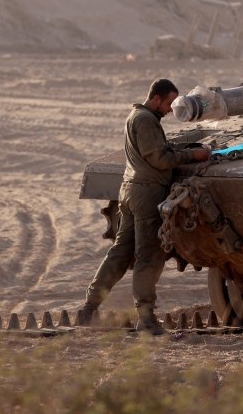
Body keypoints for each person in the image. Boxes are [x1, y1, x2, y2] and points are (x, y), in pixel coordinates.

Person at [77, 78, 210, 334]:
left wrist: (182, 148)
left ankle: (89, 307)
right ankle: (146, 318)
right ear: (156, 98)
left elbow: (156, 150)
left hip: (129, 191)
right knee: (149, 254)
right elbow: (160, 159)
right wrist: (193, 155)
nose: (171, 109)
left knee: (119, 253)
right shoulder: (146, 120)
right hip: (147, 194)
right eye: (169, 103)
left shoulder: (136, 116)